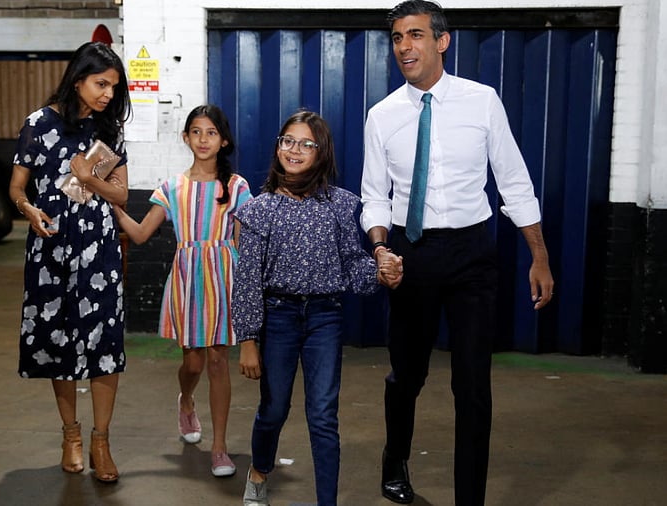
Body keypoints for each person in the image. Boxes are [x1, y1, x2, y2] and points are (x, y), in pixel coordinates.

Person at [359, 1, 555, 504]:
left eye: (416, 35)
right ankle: (394, 457)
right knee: (408, 374)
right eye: (398, 37)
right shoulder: (382, 116)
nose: (405, 46)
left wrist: (539, 256)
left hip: (473, 253)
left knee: (472, 385)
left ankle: (471, 495)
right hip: (410, 252)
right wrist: (381, 249)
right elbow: (373, 195)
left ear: (442, 41)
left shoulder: (482, 101)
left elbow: (513, 181)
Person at [234, 110, 403, 506]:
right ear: (278, 148)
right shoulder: (260, 209)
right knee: (273, 409)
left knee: (324, 417)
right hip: (277, 317)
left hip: (325, 318)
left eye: (305, 143)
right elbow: (247, 280)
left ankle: (327, 501)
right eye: (287, 141)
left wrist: (382, 271)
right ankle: (259, 471)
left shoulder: (342, 205)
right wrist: (247, 339)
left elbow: (352, 264)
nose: (294, 150)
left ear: (321, 152)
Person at [8, 41, 132, 483]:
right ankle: (72, 435)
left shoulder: (110, 131)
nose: (107, 94)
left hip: (98, 249)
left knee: (104, 344)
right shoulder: (39, 125)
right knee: (57, 340)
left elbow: (120, 194)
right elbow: (17, 188)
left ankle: (102, 440)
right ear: (77, 78)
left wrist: (88, 180)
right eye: (101, 84)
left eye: (114, 87)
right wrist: (28, 210)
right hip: (51, 248)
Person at [113, 104, 252, 477]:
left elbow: (244, 245)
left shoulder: (237, 187)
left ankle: (220, 448)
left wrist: (246, 290)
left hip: (224, 277)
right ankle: (186, 400)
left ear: (223, 140)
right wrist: (114, 206)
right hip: (188, 280)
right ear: (186, 137)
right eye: (196, 131)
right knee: (193, 363)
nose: (203, 139)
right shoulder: (172, 187)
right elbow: (141, 234)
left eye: (211, 132)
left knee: (218, 361)